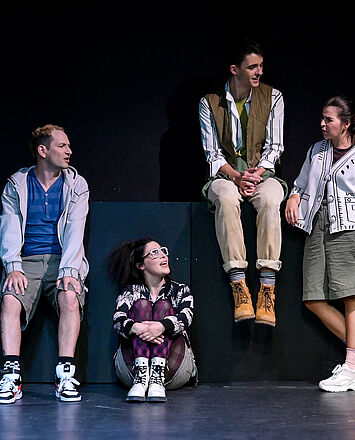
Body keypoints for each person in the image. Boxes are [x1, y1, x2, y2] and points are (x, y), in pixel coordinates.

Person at [285, 96, 355, 392]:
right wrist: (293, 195)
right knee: (313, 297)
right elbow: (301, 183)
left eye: (328, 120)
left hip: (352, 228)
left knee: (351, 294)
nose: (322, 124)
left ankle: (353, 367)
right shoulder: (317, 150)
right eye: (322, 118)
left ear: (346, 123)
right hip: (317, 226)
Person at [199, 37, 287, 327]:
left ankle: (267, 288)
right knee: (224, 197)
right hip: (226, 174)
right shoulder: (209, 103)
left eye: (261, 66)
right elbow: (212, 153)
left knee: (272, 200)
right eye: (252, 67)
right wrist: (237, 176)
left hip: (263, 174)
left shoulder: (273, 97)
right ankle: (239, 286)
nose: (259, 72)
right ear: (235, 69)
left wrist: (255, 175)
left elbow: (275, 147)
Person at [0, 124, 89, 403]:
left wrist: (69, 271)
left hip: (62, 260)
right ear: (43, 150)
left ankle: (65, 373)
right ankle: (11, 375)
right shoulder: (17, 184)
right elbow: (10, 226)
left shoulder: (76, 184)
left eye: (69, 146)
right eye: (62, 146)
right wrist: (12, 265)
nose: (69, 151)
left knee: (70, 297)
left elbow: (76, 230)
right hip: (26, 261)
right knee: (10, 300)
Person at [110, 238, 197, 403]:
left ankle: (157, 376)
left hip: (173, 370)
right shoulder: (131, 291)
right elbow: (118, 319)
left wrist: (161, 327)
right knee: (142, 305)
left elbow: (186, 317)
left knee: (163, 306)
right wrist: (138, 328)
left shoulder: (181, 290)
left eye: (163, 251)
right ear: (140, 265)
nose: (163, 256)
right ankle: (142, 377)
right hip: (132, 372)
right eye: (155, 253)